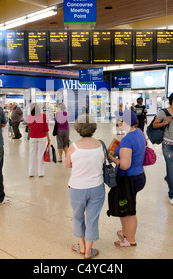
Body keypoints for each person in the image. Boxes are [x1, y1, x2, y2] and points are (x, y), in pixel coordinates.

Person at [65, 114, 105, 259]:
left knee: (78, 216)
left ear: (77, 128)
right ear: (93, 127)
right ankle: (89, 251)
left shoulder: (73, 147)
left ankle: (81, 246)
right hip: (97, 187)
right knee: (92, 218)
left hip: (77, 188)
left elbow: (68, 164)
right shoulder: (100, 145)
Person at [108, 109, 146, 247]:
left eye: (119, 120)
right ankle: (125, 232)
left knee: (128, 210)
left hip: (128, 179)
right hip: (139, 175)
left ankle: (130, 240)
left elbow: (124, 165)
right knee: (125, 206)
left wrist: (112, 158)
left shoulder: (127, 140)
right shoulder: (138, 133)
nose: (117, 122)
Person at [27, 103, 50, 177]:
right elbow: (46, 128)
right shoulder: (43, 116)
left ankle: (31, 172)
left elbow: (29, 125)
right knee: (41, 155)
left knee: (32, 155)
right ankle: (41, 173)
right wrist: (48, 138)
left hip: (33, 137)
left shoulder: (30, 116)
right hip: (42, 137)